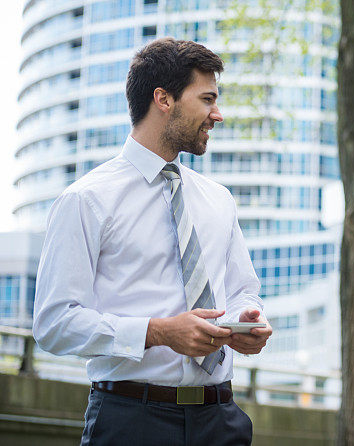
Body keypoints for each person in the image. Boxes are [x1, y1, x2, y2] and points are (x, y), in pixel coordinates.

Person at [33, 38, 272, 446]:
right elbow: (54, 323)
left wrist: (245, 320)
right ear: (164, 99)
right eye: (207, 99)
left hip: (222, 421)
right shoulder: (86, 200)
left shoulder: (219, 200)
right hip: (131, 421)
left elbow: (242, 290)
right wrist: (157, 332)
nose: (218, 114)